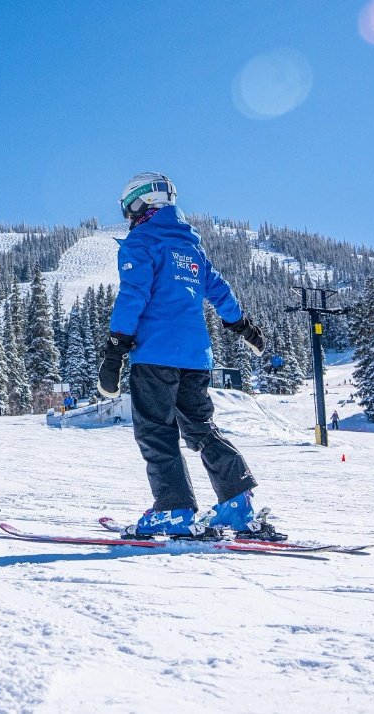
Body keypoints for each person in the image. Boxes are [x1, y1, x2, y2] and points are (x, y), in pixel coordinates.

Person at [96, 172, 282, 540]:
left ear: (141, 203)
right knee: (201, 428)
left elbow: (134, 295)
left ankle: (173, 510)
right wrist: (244, 327)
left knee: (156, 431)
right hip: (196, 359)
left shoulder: (142, 242)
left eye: (128, 208)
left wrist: (115, 350)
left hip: (155, 356)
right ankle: (236, 504)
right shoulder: (190, 248)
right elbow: (220, 291)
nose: (128, 216)